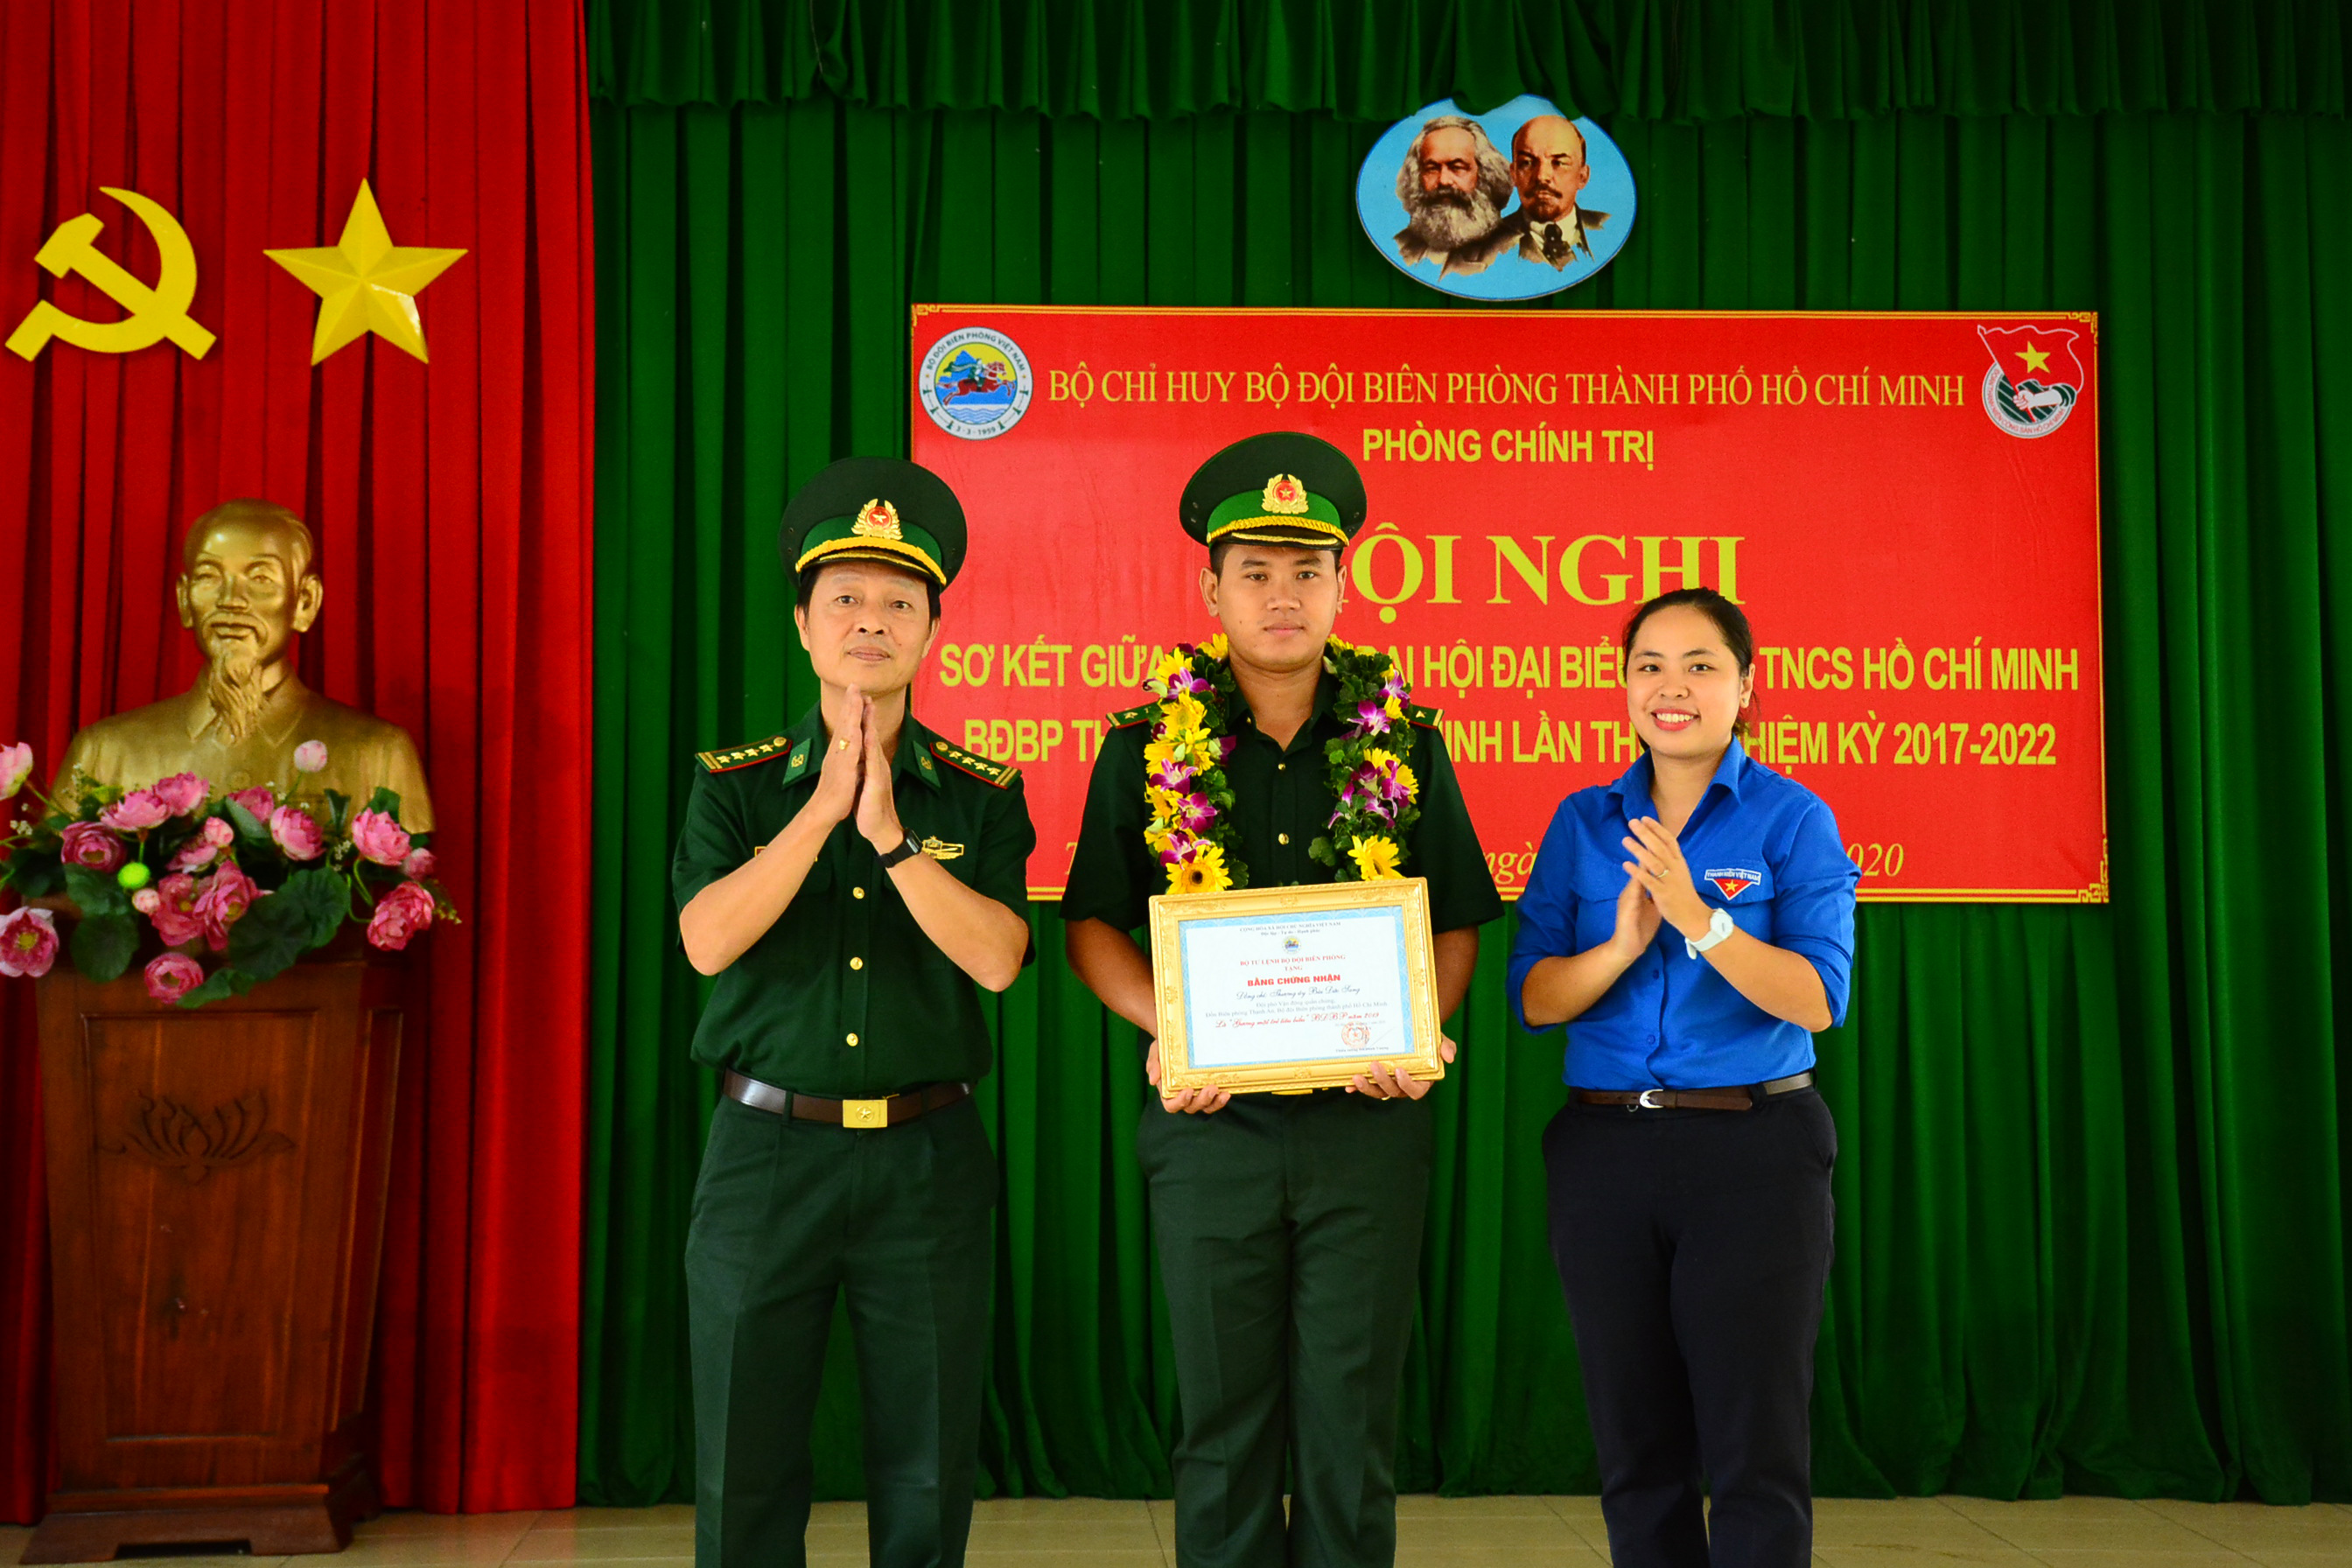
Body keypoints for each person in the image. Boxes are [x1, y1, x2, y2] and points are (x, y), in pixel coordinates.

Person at [1061, 432, 1504, 1568]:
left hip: (1367, 1122)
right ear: (1210, 588)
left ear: (1344, 586)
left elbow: (1453, 916)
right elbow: (1093, 925)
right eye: (1254, 571)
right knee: (1222, 1425)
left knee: (1352, 1426)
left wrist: (1426, 1034)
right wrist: (1175, 1026)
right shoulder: (1143, 741)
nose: (1281, 594)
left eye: (1307, 570)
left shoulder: (1403, 739)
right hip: (1211, 1128)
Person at [672, 458, 1036, 1568]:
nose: (869, 622)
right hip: (762, 1148)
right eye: (845, 599)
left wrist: (886, 832)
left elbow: (1000, 961)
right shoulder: (733, 784)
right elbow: (706, 940)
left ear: (932, 629)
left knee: (927, 1456)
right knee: (747, 1450)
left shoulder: (979, 792)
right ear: (801, 624)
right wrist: (822, 805)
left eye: (897, 602)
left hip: (926, 1156)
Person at [1508, 587, 1858, 1568]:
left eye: (1702, 665)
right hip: (1605, 1151)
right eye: (1649, 665)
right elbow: (1534, 997)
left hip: (1753, 1150)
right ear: (1622, 687)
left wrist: (1703, 921)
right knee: (1635, 1444)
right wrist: (1621, 944)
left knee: (1755, 1447)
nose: (1674, 687)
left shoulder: (1795, 819)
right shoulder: (1583, 821)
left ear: (1746, 687)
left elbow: (1818, 997)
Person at [56, 498, 434, 826]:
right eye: (210, 577)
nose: (231, 600)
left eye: (260, 578)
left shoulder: (379, 753)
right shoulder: (105, 751)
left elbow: (403, 899)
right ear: (185, 600)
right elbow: (48, 894)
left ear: (304, 602)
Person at [1455, 115, 1611, 273]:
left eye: (1559, 163)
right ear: (1513, 174)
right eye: (1527, 163)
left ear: (1582, 177)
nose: (1542, 176)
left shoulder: (1611, 230)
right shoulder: (1477, 251)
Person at [1390, 114, 1513, 275]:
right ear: (1417, 177)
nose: (1444, 180)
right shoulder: (1399, 247)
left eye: (1457, 167)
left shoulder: (1512, 247)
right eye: (1432, 168)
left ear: (1485, 174)